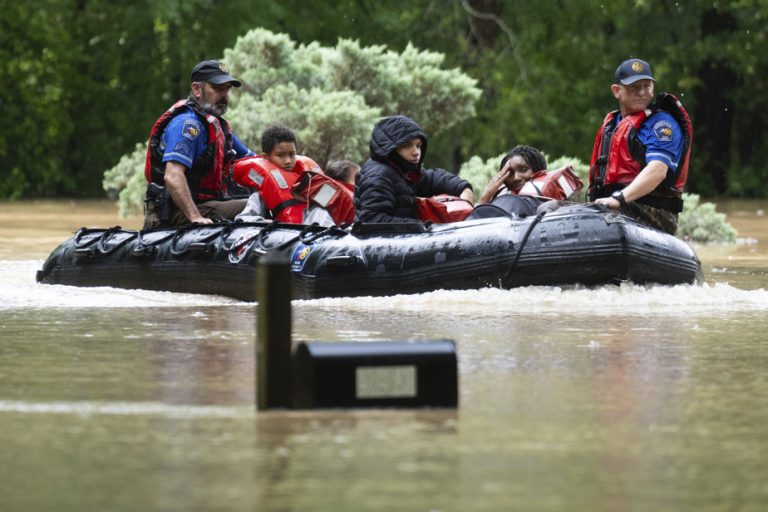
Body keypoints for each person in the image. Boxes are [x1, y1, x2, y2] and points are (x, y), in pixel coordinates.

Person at [143, 60, 255, 229]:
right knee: (254, 205)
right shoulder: (187, 125)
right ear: (197, 89)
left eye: (227, 89)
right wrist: (195, 217)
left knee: (260, 200)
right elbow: (172, 176)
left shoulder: (217, 128)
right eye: (217, 88)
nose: (224, 95)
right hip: (175, 213)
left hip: (208, 205)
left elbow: (253, 162)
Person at [588, 58, 692, 235]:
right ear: (616, 91)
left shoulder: (663, 125)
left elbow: (657, 171)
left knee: (602, 220)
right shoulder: (612, 125)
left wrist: (620, 198)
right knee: (551, 207)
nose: (642, 92)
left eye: (647, 86)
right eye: (634, 87)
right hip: (612, 206)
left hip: (653, 210)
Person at [354, 115, 473, 223]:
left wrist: (463, 188)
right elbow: (372, 221)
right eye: (406, 146)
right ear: (390, 149)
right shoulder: (378, 176)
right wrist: (423, 227)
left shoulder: (401, 170)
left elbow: (431, 179)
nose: (416, 152)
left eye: (418, 145)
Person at [475, 145, 549, 217]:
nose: (516, 178)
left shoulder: (553, 203)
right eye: (510, 173)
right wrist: (486, 196)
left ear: (539, 171)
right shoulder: (500, 198)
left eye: (524, 169)